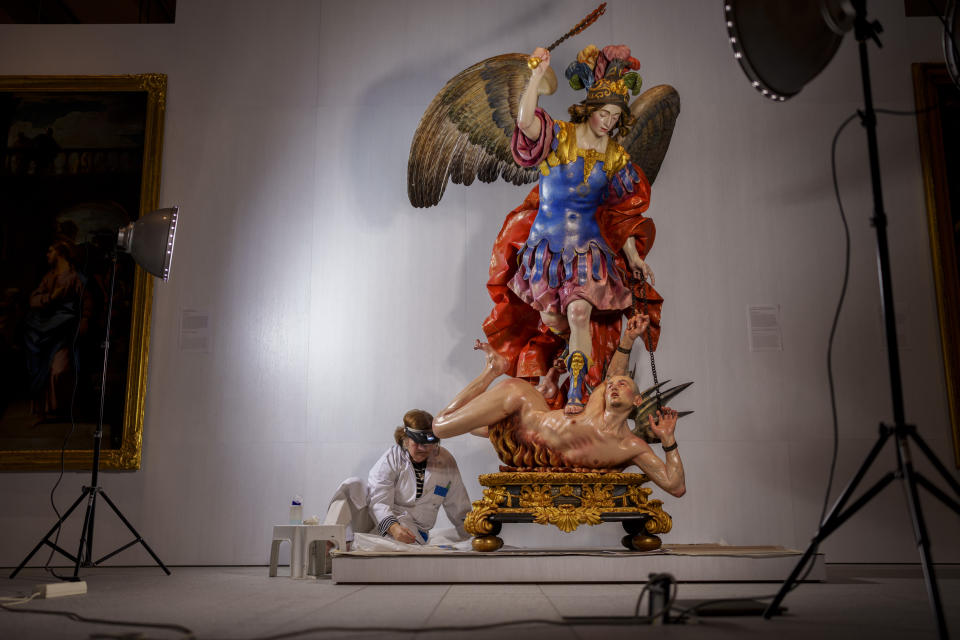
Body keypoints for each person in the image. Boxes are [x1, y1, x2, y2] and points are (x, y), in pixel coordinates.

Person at [483, 44, 664, 416]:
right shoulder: (558, 135)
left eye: (615, 115)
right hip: (546, 249)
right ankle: (567, 364)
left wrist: (632, 256)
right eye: (604, 113)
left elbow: (621, 213)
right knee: (553, 319)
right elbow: (525, 121)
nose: (609, 121)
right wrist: (537, 75)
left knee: (579, 313)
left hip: (587, 249)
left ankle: (579, 391)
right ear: (590, 109)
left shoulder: (616, 157)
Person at [434, 313, 685, 497]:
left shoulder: (632, 446)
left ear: (637, 400)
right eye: (611, 385)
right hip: (521, 402)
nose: (613, 387)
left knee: (468, 426)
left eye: (623, 385)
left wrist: (668, 441)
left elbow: (675, 486)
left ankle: (493, 368)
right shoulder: (598, 404)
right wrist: (628, 339)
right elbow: (613, 375)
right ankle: (492, 370)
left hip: (526, 445)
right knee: (440, 427)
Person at [325, 409, 472, 547]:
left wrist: (474, 535)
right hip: (379, 522)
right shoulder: (391, 459)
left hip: (413, 533)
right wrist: (393, 528)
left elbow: (459, 505)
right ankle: (326, 542)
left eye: (428, 444)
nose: (422, 449)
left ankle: (353, 545)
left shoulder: (445, 461)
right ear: (406, 439)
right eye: (417, 443)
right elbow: (379, 501)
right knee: (352, 485)